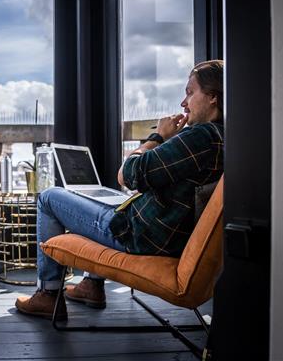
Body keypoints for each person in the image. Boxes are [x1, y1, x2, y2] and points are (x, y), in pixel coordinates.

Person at [15, 60, 224, 320]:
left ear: (213, 97)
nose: (184, 103)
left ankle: (48, 295)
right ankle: (91, 285)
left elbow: (127, 175)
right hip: (161, 233)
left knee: (48, 198)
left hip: (138, 235)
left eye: (190, 93)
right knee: (101, 198)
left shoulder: (201, 137)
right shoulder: (223, 138)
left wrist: (157, 137)